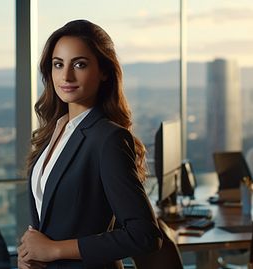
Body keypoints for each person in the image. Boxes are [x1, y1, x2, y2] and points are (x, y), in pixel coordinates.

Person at [17, 20, 162, 269]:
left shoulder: (109, 139)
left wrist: (54, 250)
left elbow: (145, 234)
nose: (66, 76)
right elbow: (51, 214)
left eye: (80, 64)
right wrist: (30, 254)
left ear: (104, 71)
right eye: (58, 64)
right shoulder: (55, 130)